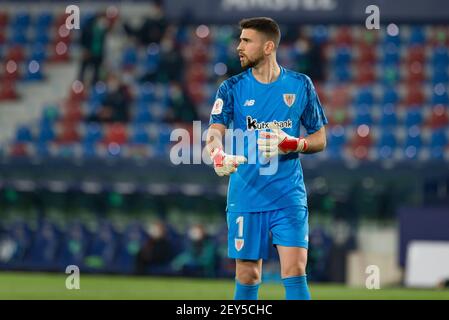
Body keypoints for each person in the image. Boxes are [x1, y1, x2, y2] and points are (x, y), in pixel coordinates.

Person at [205, 17, 327, 300]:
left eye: (247, 41)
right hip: (246, 195)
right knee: (248, 274)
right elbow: (213, 132)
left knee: (295, 270)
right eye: (240, 40)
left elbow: (320, 139)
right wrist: (217, 153)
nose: (239, 47)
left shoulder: (300, 85)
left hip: (288, 195)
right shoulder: (231, 88)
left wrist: (294, 143)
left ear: (269, 46)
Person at [78, 13, 111, 86]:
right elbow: (82, 40)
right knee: (83, 70)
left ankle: (94, 84)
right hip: (88, 53)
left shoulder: (103, 30)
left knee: (96, 72)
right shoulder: (88, 28)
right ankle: (81, 84)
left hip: (98, 54)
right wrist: (85, 49)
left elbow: (103, 43)